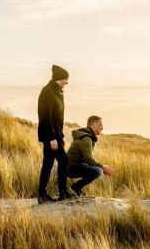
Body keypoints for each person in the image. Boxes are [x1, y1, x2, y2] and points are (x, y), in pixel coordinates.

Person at [37, 65, 75, 203]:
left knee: (48, 163)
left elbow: (57, 118)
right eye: (66, 79)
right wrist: (52, 138)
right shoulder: (47, 92)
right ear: (59, 78)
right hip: (50, 136)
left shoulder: (57, 92)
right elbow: (45, 117)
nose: (67, 82)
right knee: (63, 160)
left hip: (56, 136)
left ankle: (43, 194)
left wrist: (60, 137)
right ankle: (61, 192)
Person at [66, 115, 114, 196]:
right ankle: (75, 188)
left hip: (73, 166)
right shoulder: (86, 138)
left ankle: (77, 189)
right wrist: (102, 167)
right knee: (98, 171)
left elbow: (86, 159)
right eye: (100, 125)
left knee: (98, 170)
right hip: (70, 167)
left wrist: (100, 167)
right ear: (94, 125)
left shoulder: (88, 137)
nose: (102, 128)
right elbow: (88, 158)